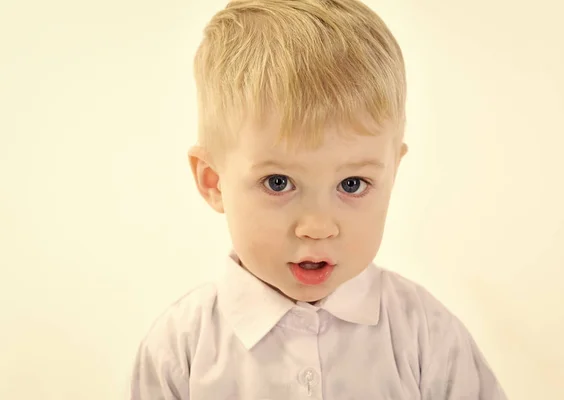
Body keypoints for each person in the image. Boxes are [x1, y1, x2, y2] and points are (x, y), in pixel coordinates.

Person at [130, 0, 507, 398]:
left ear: (392, 172)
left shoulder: (426, 335)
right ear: (213, 181)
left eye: (352, 184)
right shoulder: (181, 349)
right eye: (278, 182)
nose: (318, 226)